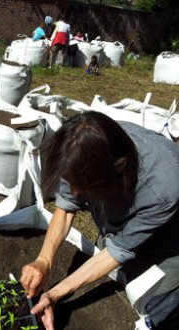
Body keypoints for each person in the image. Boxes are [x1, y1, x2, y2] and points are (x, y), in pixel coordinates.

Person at [20, 112, 179, 330]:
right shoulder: (79, 147)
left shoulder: (163, 188)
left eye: (83, 184)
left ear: (118, 166)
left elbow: (118, 250)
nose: (75, 191)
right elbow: (66, 207)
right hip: (123, 220)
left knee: (158, 305)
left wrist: (56, 294)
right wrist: (44, 261)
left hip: (169, 245)